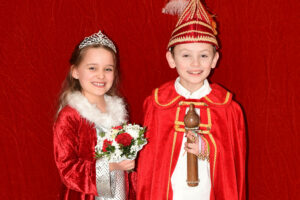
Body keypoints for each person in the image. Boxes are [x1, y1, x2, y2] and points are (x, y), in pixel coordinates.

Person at [136, 0, 246, 199]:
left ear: (214, 60)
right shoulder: (157, 103)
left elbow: (232, 162)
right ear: (171, 59)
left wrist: (206, 147)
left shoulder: (228, 108)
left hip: (207, 191)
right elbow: (149, 163)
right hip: (169, 191)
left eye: (204, 55)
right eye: (186, 55)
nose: (195, 64)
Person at [53, 30, 135, 200]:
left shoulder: (119, 113)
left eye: (108, 69)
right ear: (75, 71)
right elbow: (68, 169)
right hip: (87, 195)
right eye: (92, 68)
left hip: (120, 192)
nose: (101, 75)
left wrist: (131, 166)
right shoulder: (70, 115)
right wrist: (109, 167)